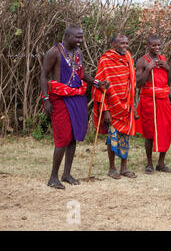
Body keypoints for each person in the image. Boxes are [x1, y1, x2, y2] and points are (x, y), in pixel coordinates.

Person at [40, 25, 108, 189]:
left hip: (77, 97)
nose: (80, 40)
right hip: (60, 98)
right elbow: (43, 74)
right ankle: (53, 177)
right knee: (62, 139)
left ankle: (67, 174)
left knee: (73, 137)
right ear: (67, 36)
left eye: (81, 37)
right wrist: (46, 99)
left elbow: (81, 74)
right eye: (77, 37)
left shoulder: (78, 53)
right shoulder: (54, 51)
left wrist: (97, 83)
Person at [92, 34, 137, 180]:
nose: (125, 45)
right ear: (114, 45)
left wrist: (133, 104)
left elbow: (132, 82)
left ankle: (124, 167)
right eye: (122, 43)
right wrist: (105, 109)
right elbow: (100, 86)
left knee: (126, 136)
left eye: (126, 43)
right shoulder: (105, 60)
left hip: (126, 104)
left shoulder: (128, 57)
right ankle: (112, 168)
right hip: (112, 105)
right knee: (112, 137)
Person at [135, 35, 171, 174]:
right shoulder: (142, 61)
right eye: (153, 45)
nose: (157, 48)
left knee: (166, 130)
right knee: (149, 132)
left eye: (158, 45)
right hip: (149, 100)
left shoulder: (163, 59)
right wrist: (148, 69)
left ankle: (161, 163)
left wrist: (168, 68)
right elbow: (138, 83)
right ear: (148, 46)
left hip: (163, 99)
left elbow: (168, 81)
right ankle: (149, 163)